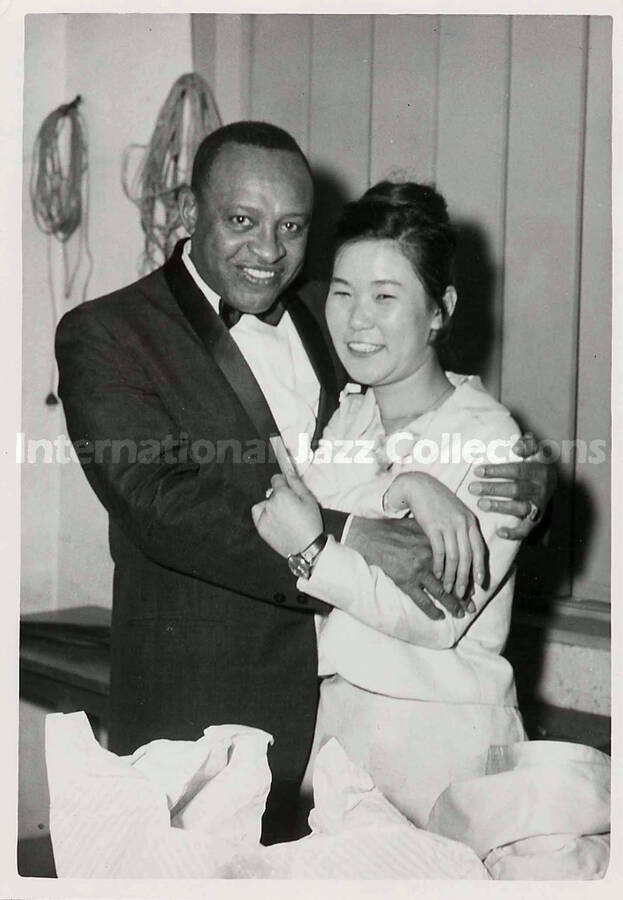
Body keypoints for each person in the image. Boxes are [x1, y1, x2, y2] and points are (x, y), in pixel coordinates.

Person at [55, 122, 552, 843]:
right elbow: (160, 500)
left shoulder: (332, 306)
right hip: (203, 704)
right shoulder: (107, 332)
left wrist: (525, 472)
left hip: (355, 729)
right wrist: (350, 527)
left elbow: (431, 418)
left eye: (290, 226)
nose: (267, 251)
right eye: (240, 222)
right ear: (191, 209)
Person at [253, 181, 531, 826]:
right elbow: (302, 506)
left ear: (440, 309)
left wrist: (312, 551)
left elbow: (436, 616)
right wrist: (399, 488)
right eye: (343, 293)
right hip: (338, 724)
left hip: (441, 740)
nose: (355, 320)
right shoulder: (351, 416)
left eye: (386, 296)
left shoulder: (491, 438)